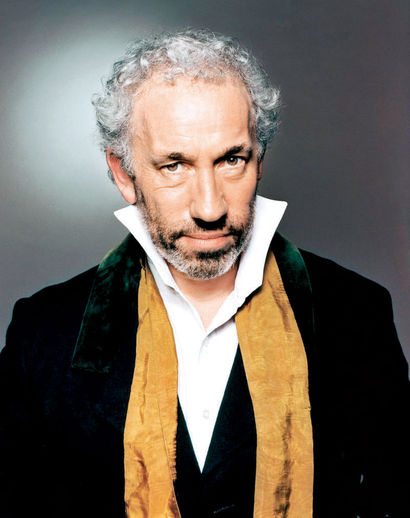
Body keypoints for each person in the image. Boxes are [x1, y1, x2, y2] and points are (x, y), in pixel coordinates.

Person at [0, 29, 408, 518]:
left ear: (259, 160)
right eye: (174, 166)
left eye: (232, 160)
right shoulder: (43, 334)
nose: (210, 208)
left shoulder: (357, 315)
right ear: (124, 174)